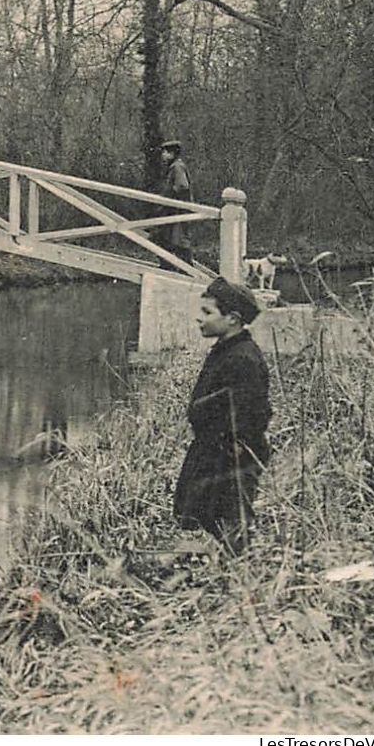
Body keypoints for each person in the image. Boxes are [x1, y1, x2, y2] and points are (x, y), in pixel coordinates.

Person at [173, 276, 271, 554]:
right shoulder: (228, 350)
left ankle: (240, 573)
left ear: (233, 319)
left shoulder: (242, 358)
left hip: (231, 456)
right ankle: (231, 566)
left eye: (207, 312)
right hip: (216, 450)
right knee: (206, 512)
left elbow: (252, 413)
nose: (198, 318)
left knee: (231, 518)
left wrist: (234, 448)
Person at [153, 139, 194, 268]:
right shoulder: (174, 167)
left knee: (177, 241)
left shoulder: (177, 167)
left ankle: (184, 269)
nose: (163, 156)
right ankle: (170, 267)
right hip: (174, 210)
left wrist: (170, 200)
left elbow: (182, 186)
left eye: (165, 152)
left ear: (172, 153)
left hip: (176, 211)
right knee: (166, 239)